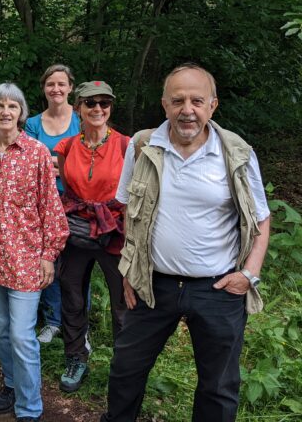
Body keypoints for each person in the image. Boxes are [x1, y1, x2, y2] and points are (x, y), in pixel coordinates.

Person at [102, 64, 271, 422]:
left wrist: (249, 274)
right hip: (153, 284)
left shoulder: (237, 152)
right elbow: (129, 210)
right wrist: (131, 270)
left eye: (197, 100)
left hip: (219, 290)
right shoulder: (144, 145)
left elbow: (261, 218)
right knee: (125, 371)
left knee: (218, 386)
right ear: (165, 105)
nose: (187, 109)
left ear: (213, 105)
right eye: (178, 100)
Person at [0, 83, 69, 422]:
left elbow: (50, 207)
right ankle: (10, 383)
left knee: (23, 335)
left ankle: (29, 408)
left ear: (21, 113)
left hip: (25, 260)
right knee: (1, 331)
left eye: (12, 106)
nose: (5, 112)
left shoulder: (37, 152)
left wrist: (49, 254)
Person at [54, 80, 129, 393]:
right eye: (90, 103)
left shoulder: (127, 145)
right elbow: (59, 188)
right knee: (72, 295)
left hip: (114, 232)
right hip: (77, 231)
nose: (98, 109)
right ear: (78, 108)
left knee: (124, 300)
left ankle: (126, 365)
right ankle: (75, 357)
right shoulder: (67, 147)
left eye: (104, 103)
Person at [24, 64, 81, 345]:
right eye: (50, 84)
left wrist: (58, 164)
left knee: (77, 265)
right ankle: (53, 321)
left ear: (70, 87)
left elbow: (89, 157)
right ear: (44, 88)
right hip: (43, 201)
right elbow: (30, 160)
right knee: (48, 262)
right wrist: (60, 163)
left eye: (61, 84)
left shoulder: (81, 120)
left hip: (77, 202)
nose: (56, 89)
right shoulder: (33, 123)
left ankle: (78, 326)